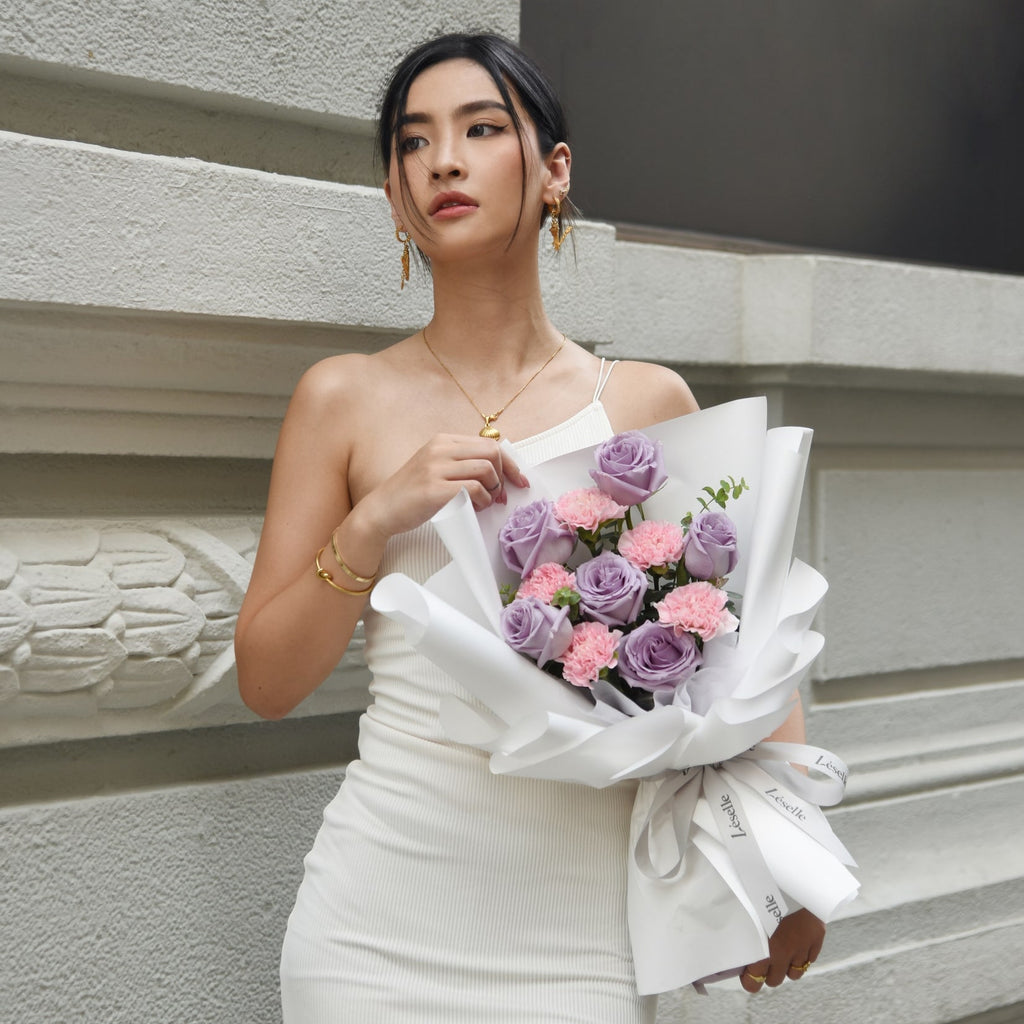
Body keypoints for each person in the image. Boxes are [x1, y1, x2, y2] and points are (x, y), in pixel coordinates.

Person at [234, 32, 824, 1023]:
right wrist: (376, 518)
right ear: (393, 196)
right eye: (412, 143)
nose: (444, 161)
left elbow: (747, 657)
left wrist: (784, 869)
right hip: (372, 928)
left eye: (479, 128)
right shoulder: (342, 398)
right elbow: (267, 680)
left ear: (553, 172)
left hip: (583, 934)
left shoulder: (640, 401)